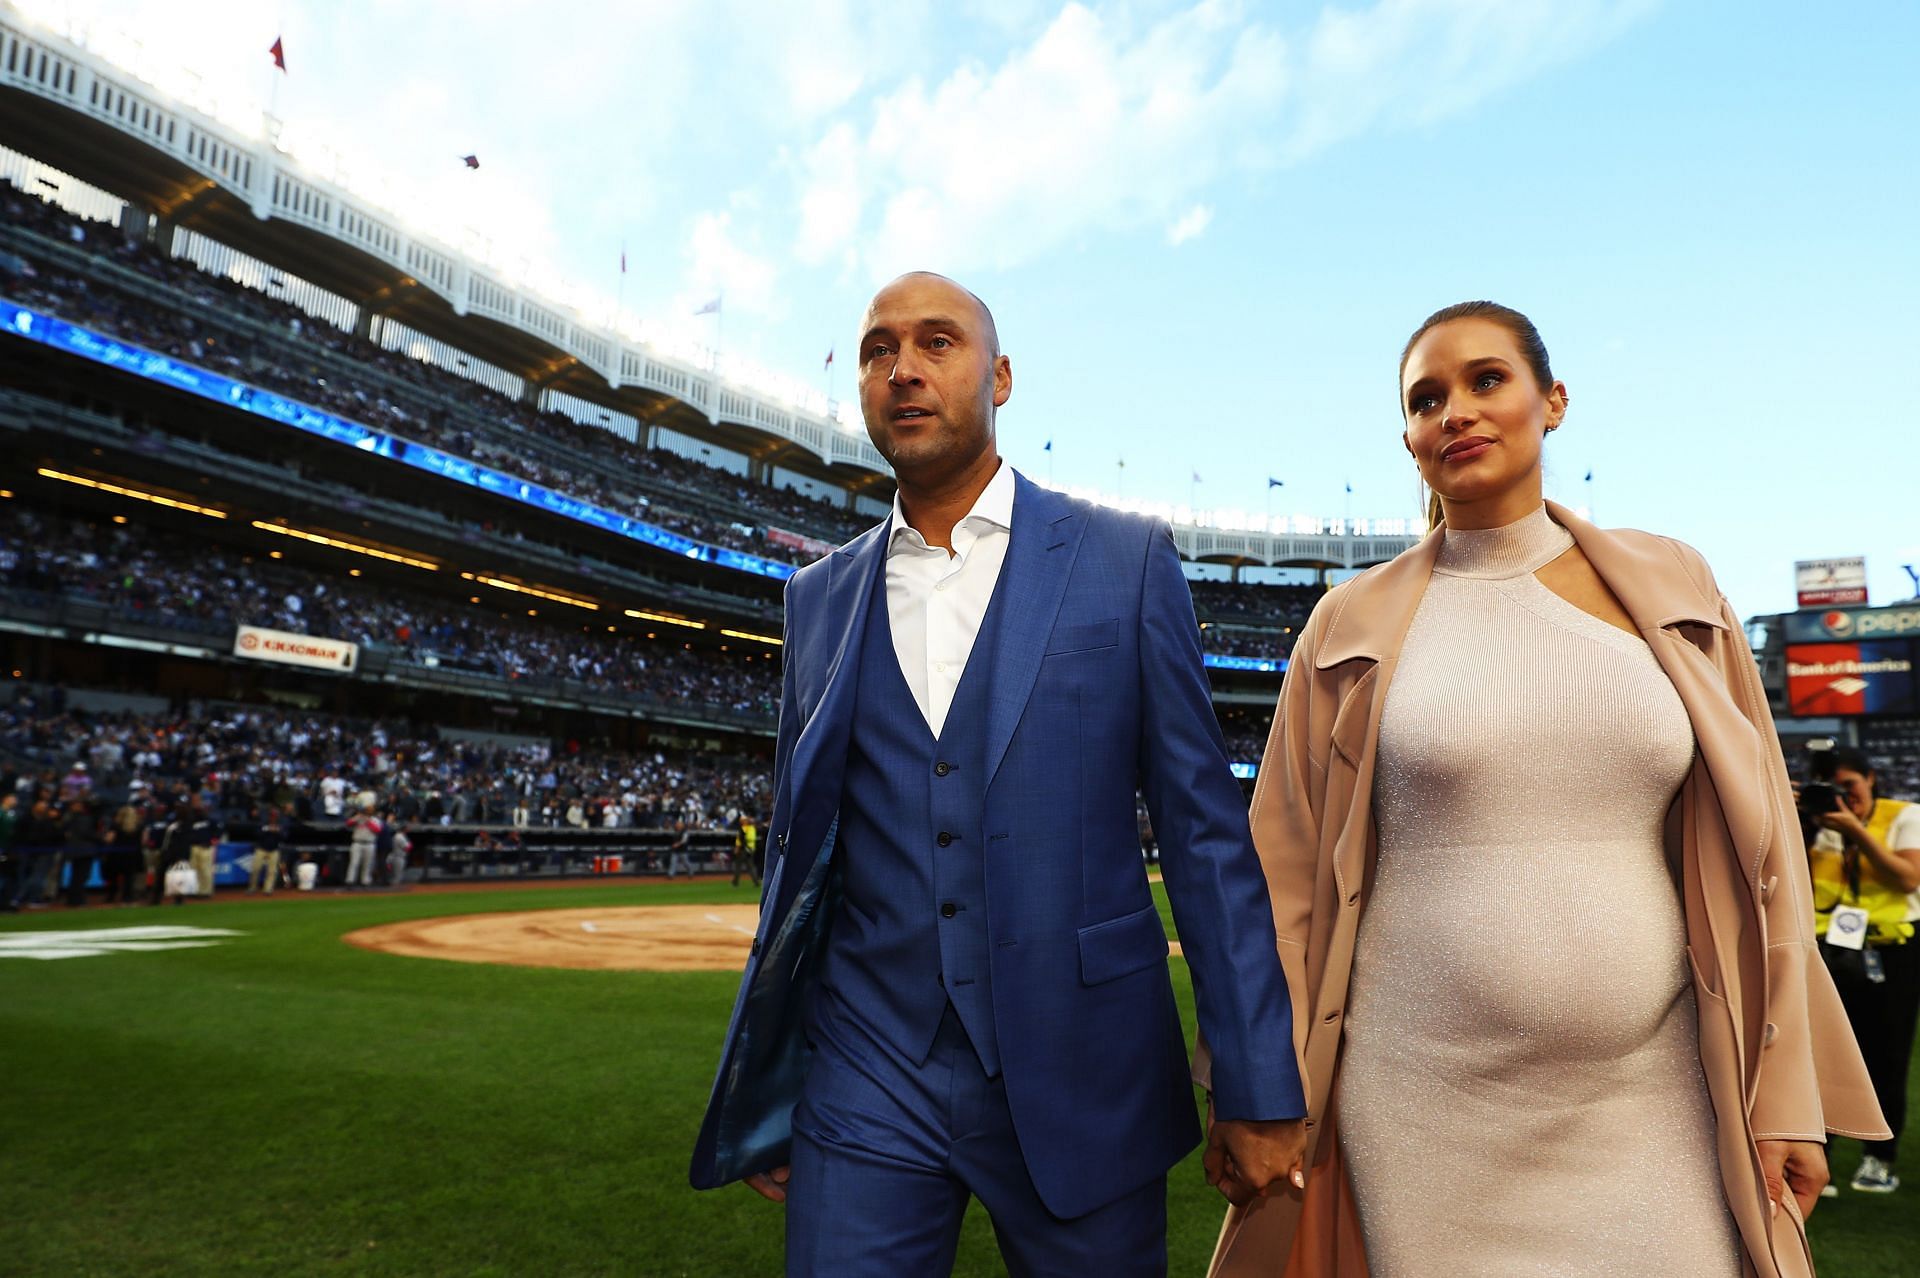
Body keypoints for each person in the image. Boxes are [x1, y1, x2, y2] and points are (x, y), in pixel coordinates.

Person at [1206, 301, 1886, 1278]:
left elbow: (1767, 857)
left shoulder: (1677, 586)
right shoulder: (1345, 624)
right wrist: (1254, 1089)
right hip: (1420, 1100)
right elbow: (1280, 882)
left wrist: (1786, 1097)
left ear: (1553, 401)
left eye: (1487, 380)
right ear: (1406, 438)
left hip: (1657, 1093)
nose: (1455, 411)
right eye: (1425, 399)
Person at [690, 272, 1306, 1276]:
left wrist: (1256, 1080)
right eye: (878, 349)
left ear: (1002, 377)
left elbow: (1203, 836)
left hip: (1086, 1064)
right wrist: (771, 1074)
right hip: (865, 1067)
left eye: (937, 343)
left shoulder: (1125, 560)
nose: (903, 369)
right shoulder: (816, 596)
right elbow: (801, 854)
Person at [1805, 747, 1920, 1194]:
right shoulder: (1816, 826)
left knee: (1887, 1056)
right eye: (1830, 788)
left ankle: (1879, 1158)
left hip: (1890, 952)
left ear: (1871, 778)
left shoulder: (1904, 816)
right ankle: (1822, 1153)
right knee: (1821, 1056)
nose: (1842, 797)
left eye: (1849, 785)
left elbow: (1907, 878)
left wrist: (1858, 832)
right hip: (1828, 950)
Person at [249, 805, 286, 895]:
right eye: (272, 815)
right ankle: (252, 888)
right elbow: (256, 834)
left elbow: (285, 836)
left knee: (272, 871)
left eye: (275, 815)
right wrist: (267, 830)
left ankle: (268, 889)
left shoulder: (280, 825)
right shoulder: (263, 823)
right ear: (269, 816)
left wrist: (277, 831)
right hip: (261, 848)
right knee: (255, 869)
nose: (273, 817)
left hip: (274, 850)